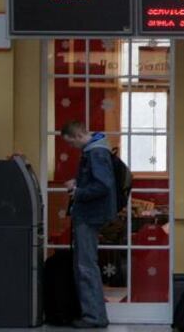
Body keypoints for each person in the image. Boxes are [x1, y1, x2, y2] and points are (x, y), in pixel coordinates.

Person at [62, 121, 118, 329]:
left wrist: (78, 192)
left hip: (89, 215)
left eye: (70, 143)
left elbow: (103, 185)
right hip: (92, 214)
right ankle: (94, 314)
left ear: (77, 136)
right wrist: (79, 185)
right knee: (86, 264)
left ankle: (94, 316)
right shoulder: (99, 148)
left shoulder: (95, 153)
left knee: (86, 266)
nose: (72, 148)